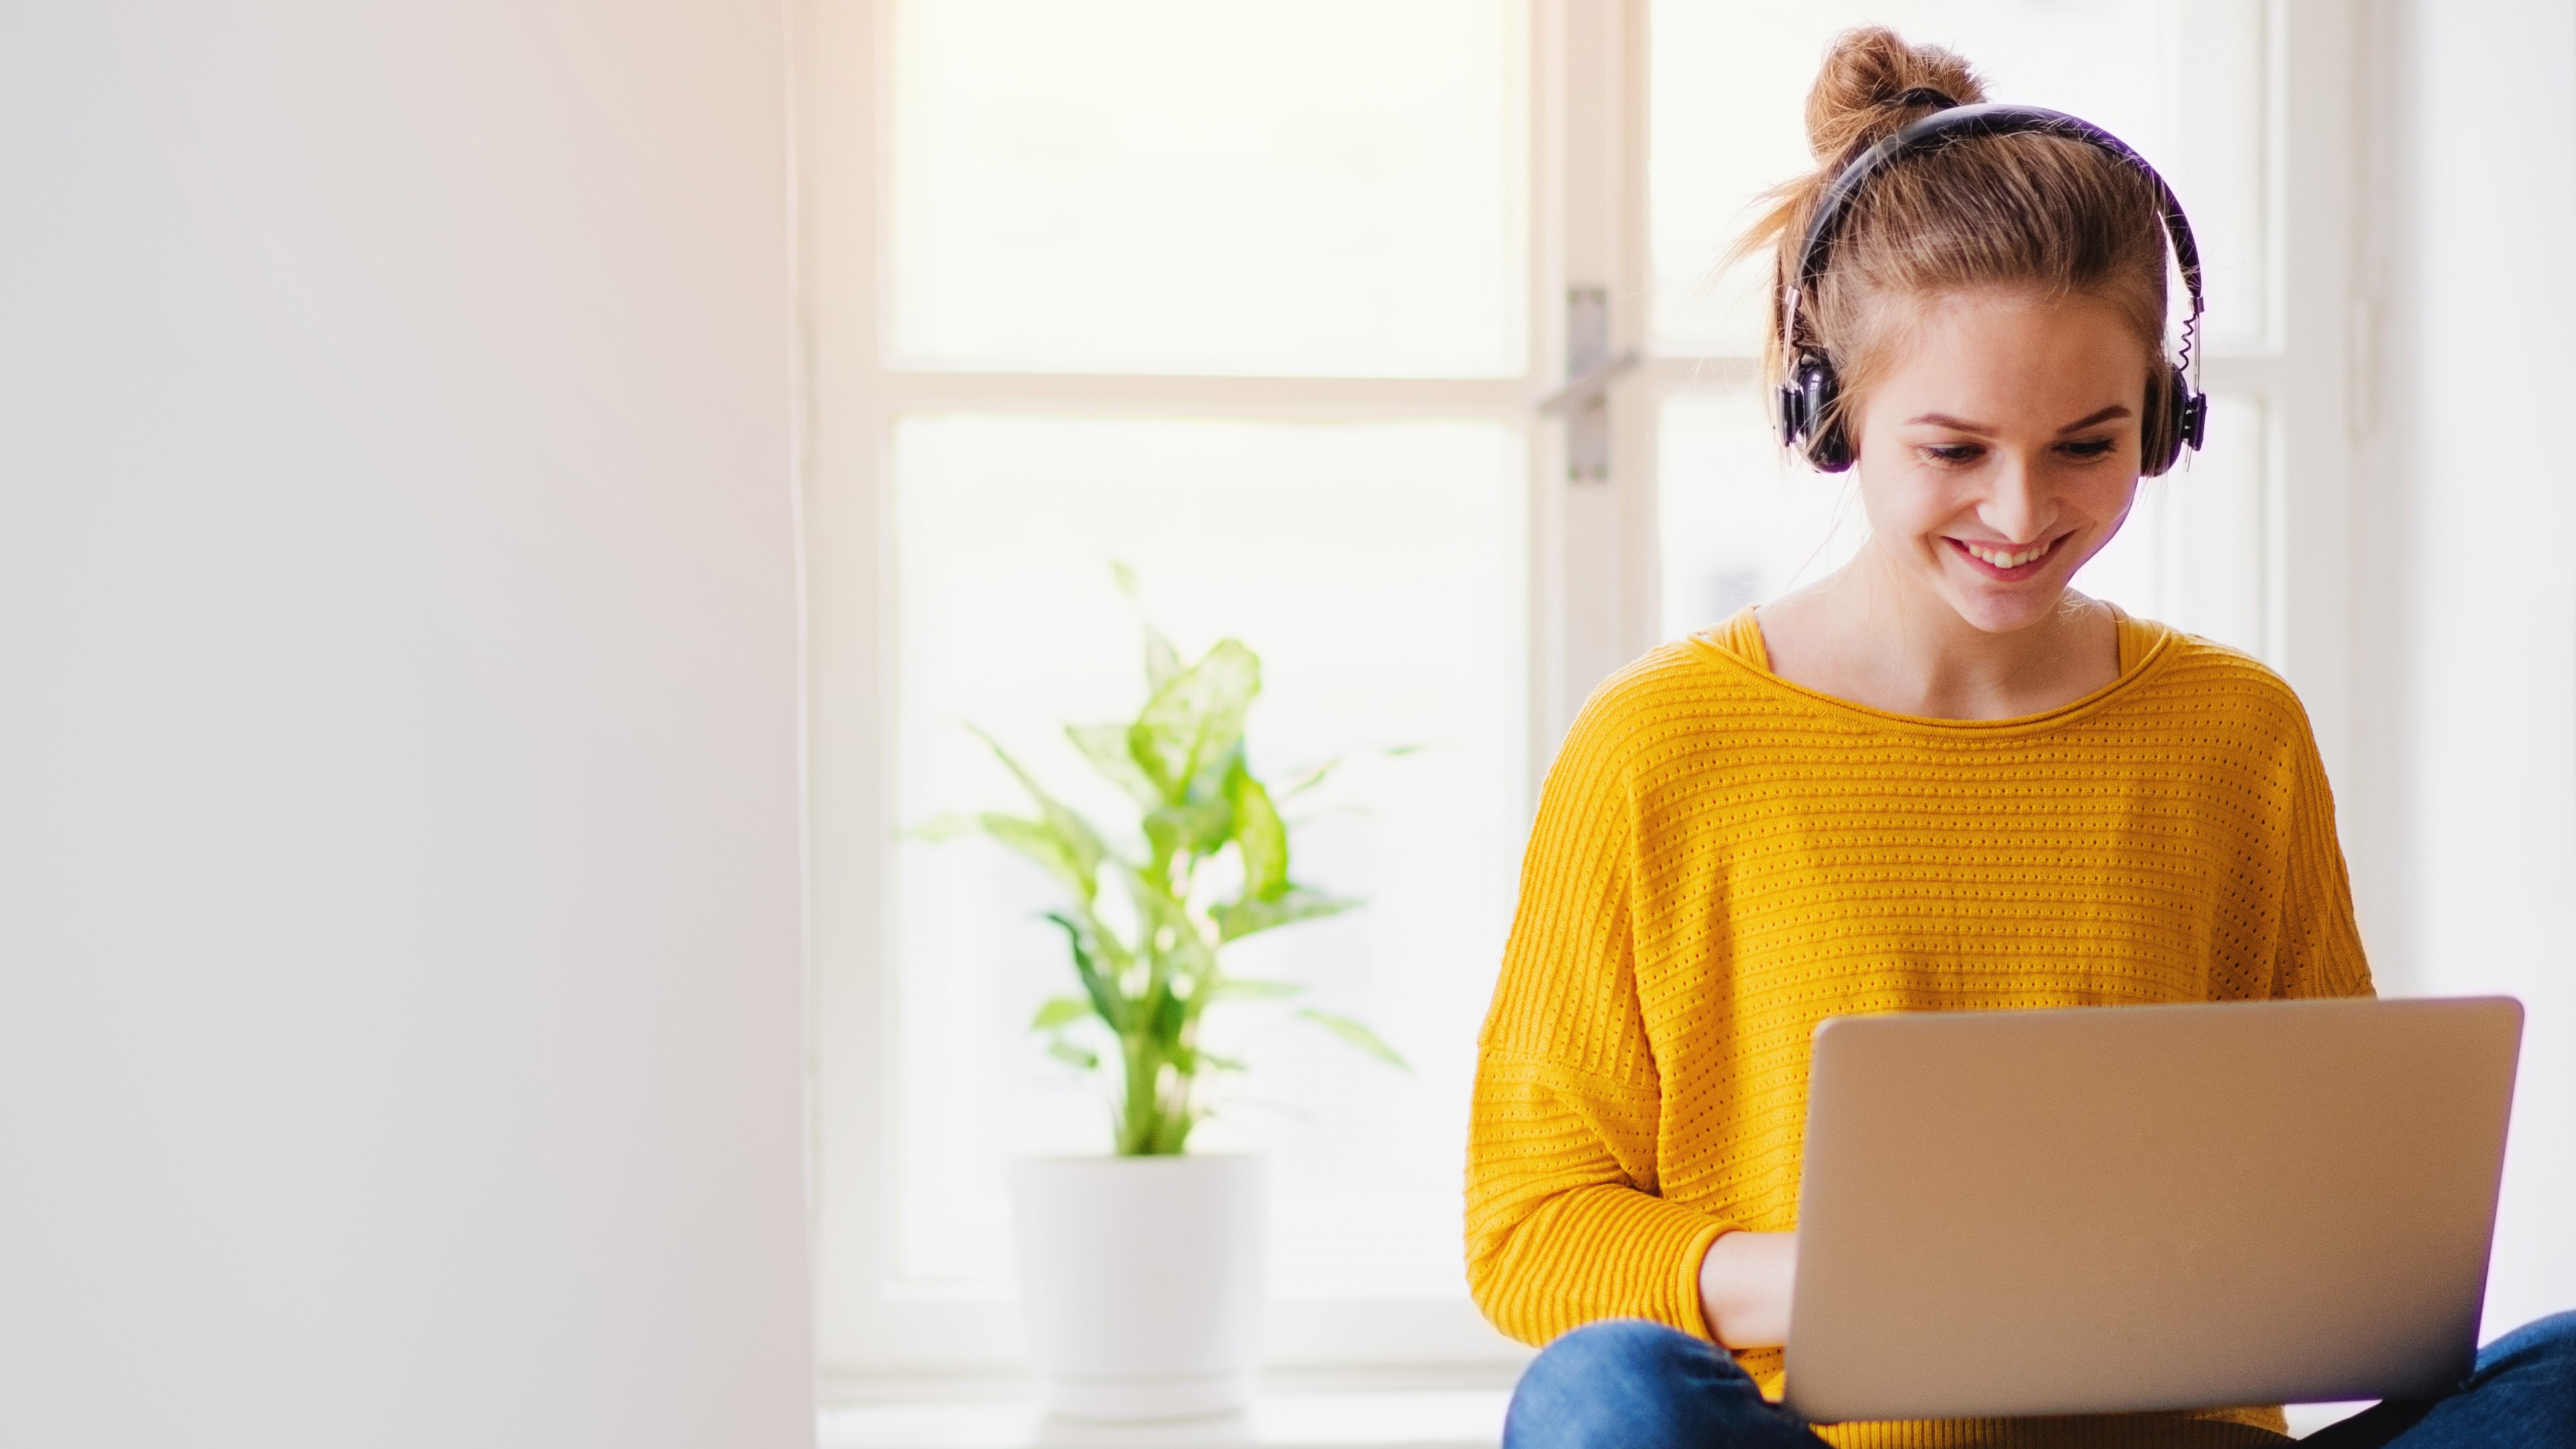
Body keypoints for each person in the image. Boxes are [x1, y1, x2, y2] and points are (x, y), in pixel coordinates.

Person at [1464, 27, 2576, 1449]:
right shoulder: (1657, 746)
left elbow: (2335, 1211)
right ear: (1828, 411)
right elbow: (1528, 1227)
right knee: (1598, 1394)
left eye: (2084, 444)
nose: (2017, 512)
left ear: (2162, 422)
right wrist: (1857, 1285)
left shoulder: (2235, 735)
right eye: (1952, 449)